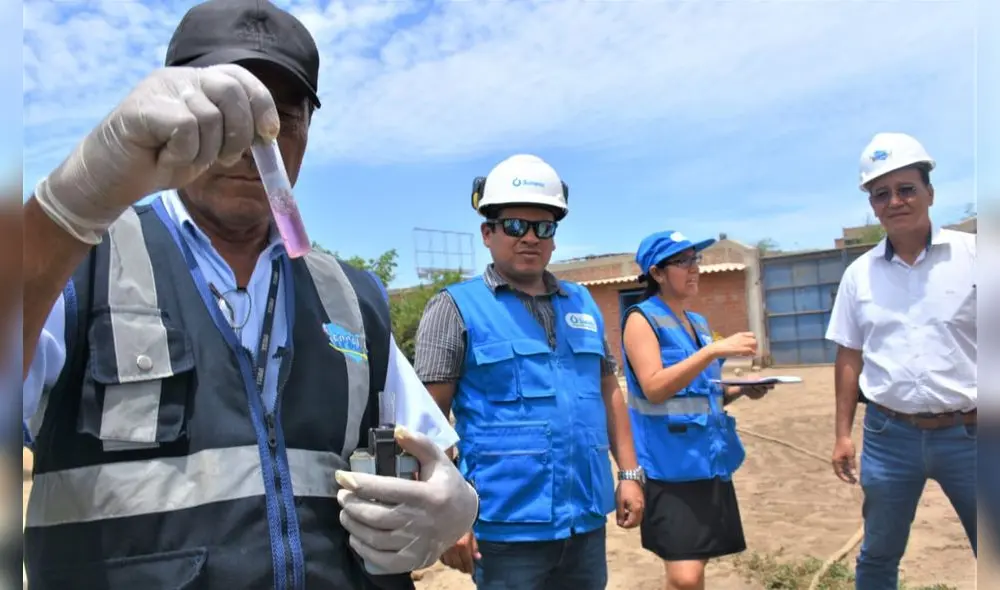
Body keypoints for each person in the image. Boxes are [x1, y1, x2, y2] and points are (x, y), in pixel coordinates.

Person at [20, 1, 478, 588]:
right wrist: (68, 204)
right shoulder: (80, 265)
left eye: (285, 115)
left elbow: (430, 449)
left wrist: (455, 499)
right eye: (225, 114)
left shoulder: (350, 297)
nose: (256, 140)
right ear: (170, 113)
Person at [412, 154, 645, 590]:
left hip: (584, 520)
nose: (530, 238)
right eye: (515, 226)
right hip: (505, 528)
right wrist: (447, 514)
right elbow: (425, 423)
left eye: (544, 227)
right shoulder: (455, 308)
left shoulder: (582, 303)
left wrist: (629, 474)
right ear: (488, 232)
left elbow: (609, 391)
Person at [826, 132, 976, 589]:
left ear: (929, 192)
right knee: (878, 556)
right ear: (872, 205)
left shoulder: (974, 257)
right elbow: (849, 355)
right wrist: (841, 434)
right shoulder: (859, 276)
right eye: (881, 194)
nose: (895, 201)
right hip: (889, 438)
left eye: (906, 189)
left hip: (972, 434)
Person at [620, 230, 771, 590]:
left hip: (707, 460)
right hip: (668, 466)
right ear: (657, 273)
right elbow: (655, 387)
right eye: (683, 261)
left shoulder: (698, 323)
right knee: (685, 576)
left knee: (694, 568)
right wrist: (713, 352)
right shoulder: (642, 320)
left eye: (695, 260)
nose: (694, 269)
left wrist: (740, 390)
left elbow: (702, 394)